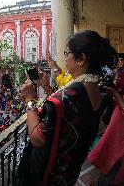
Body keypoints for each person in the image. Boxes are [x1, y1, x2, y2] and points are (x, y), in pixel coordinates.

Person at [16, 30, 117, 186]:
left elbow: (37, 138)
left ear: (81, 59)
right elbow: (64, 113)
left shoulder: (70, 95)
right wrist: (45, 86)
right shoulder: (96, 88)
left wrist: (30, 99)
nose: (65, 58)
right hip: (70, 169)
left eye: (67, 53)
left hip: (50, 173)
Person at [87, 86, 124, 185]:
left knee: (113, 165)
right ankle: (100, 182)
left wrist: (116, 95)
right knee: (108, 161)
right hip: (117, 134)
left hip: (121, 144)